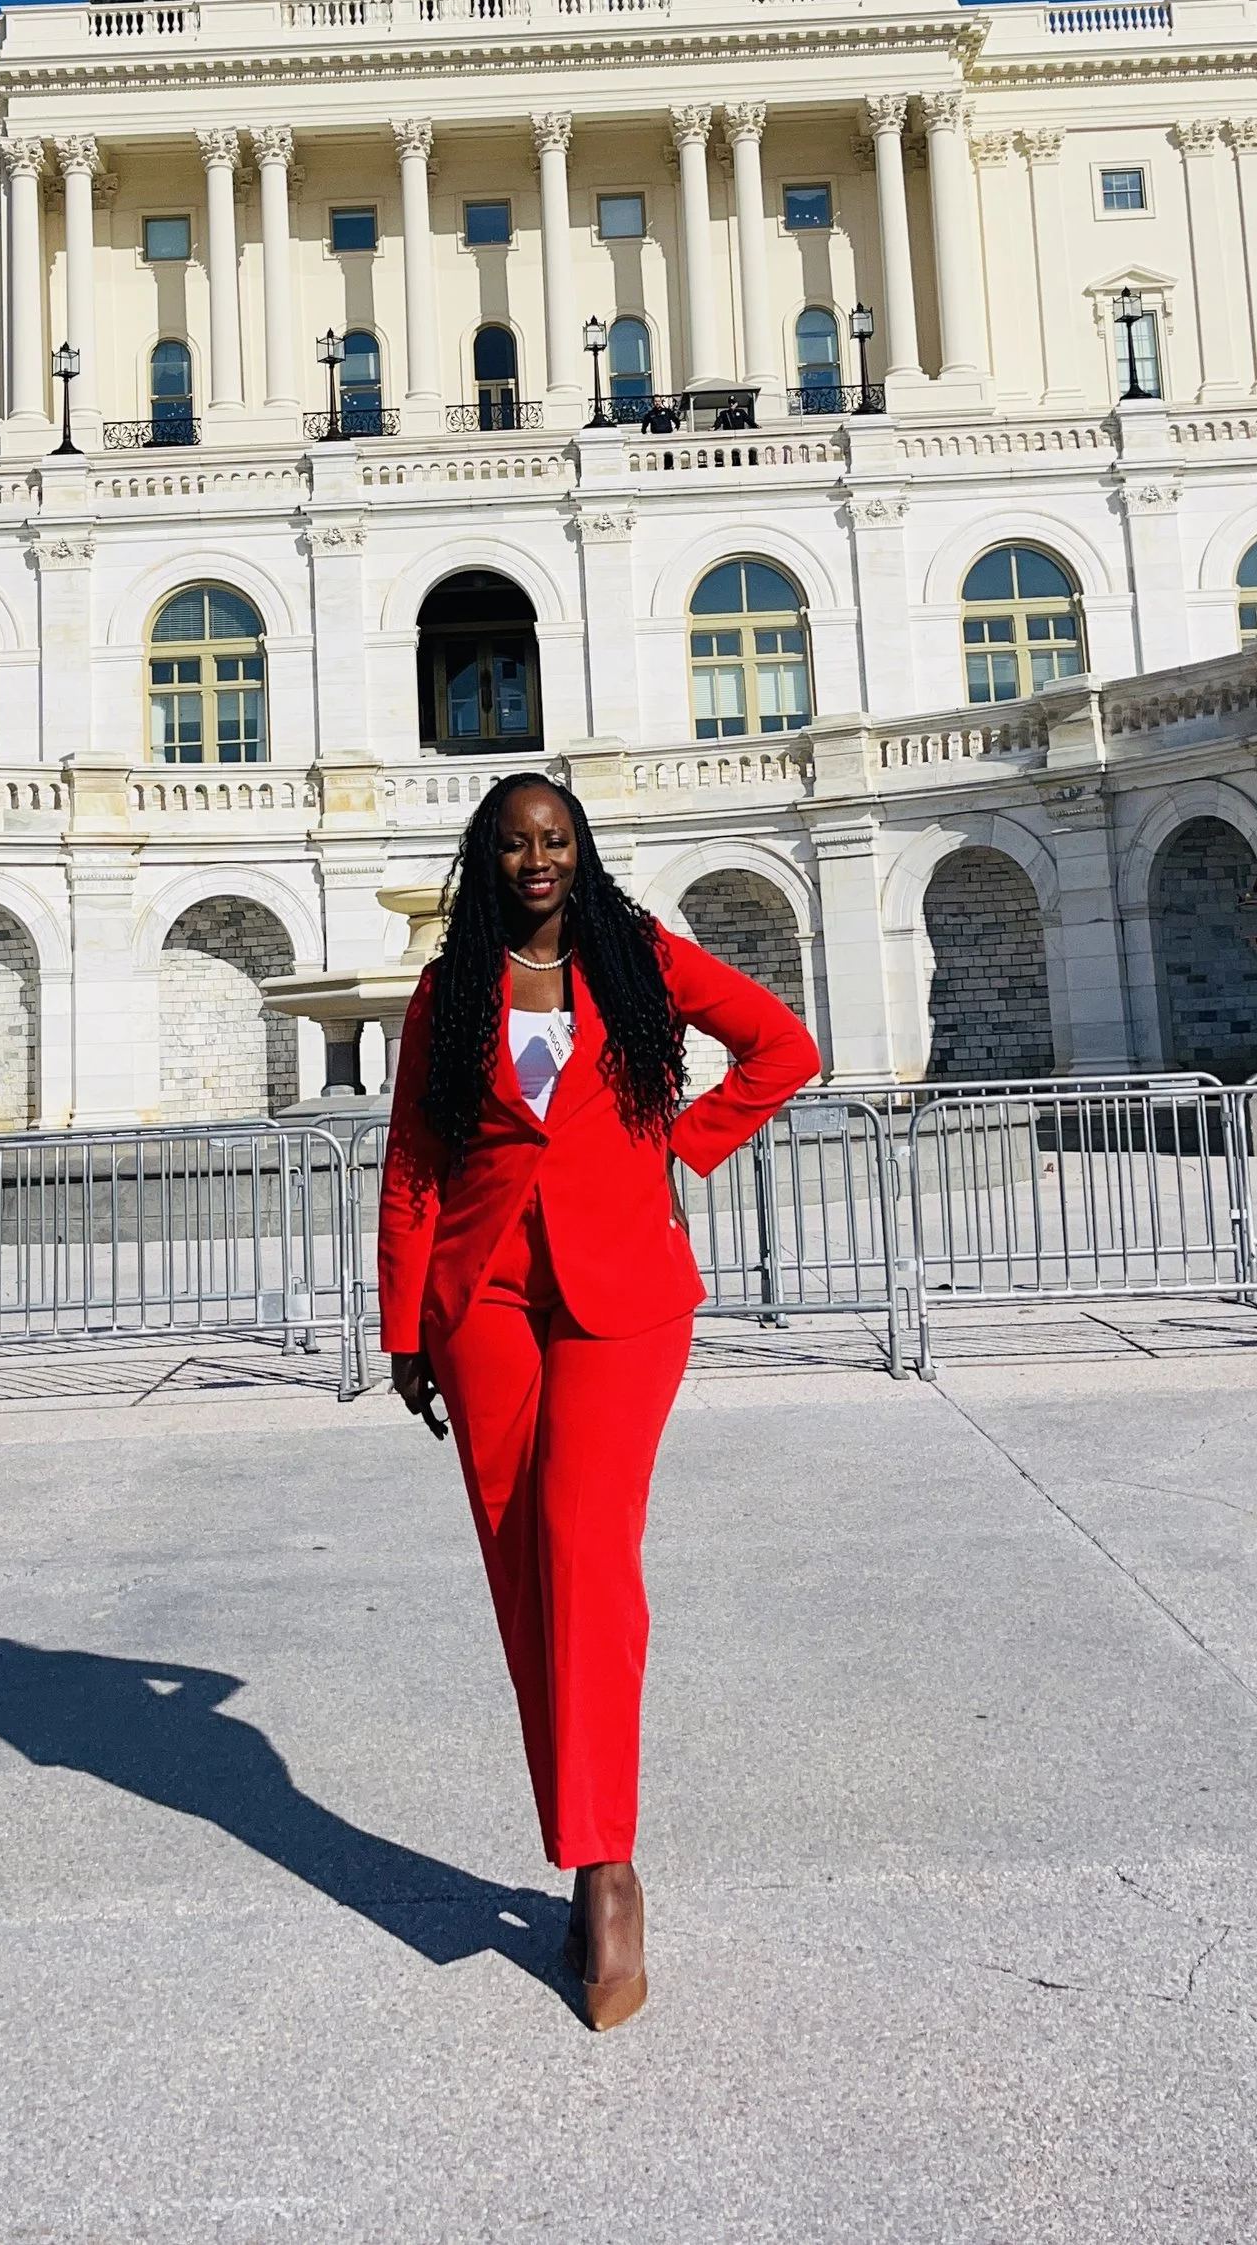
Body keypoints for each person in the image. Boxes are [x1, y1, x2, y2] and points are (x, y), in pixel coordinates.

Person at [379, 772, 820, 2028]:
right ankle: (581, 1845)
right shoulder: (446, 986)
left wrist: (680, 1145)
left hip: (622, 1295)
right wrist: (406, 1326)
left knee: (585, 1547)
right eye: (514, 842)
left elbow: (782, 1048)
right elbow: (413, 1159)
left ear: (581, 851)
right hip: (485, 1306)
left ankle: (608, 1867)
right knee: (523, 1568)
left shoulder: (641, 958)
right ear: (487, 855)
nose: (536, 860)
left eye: (555, 840)